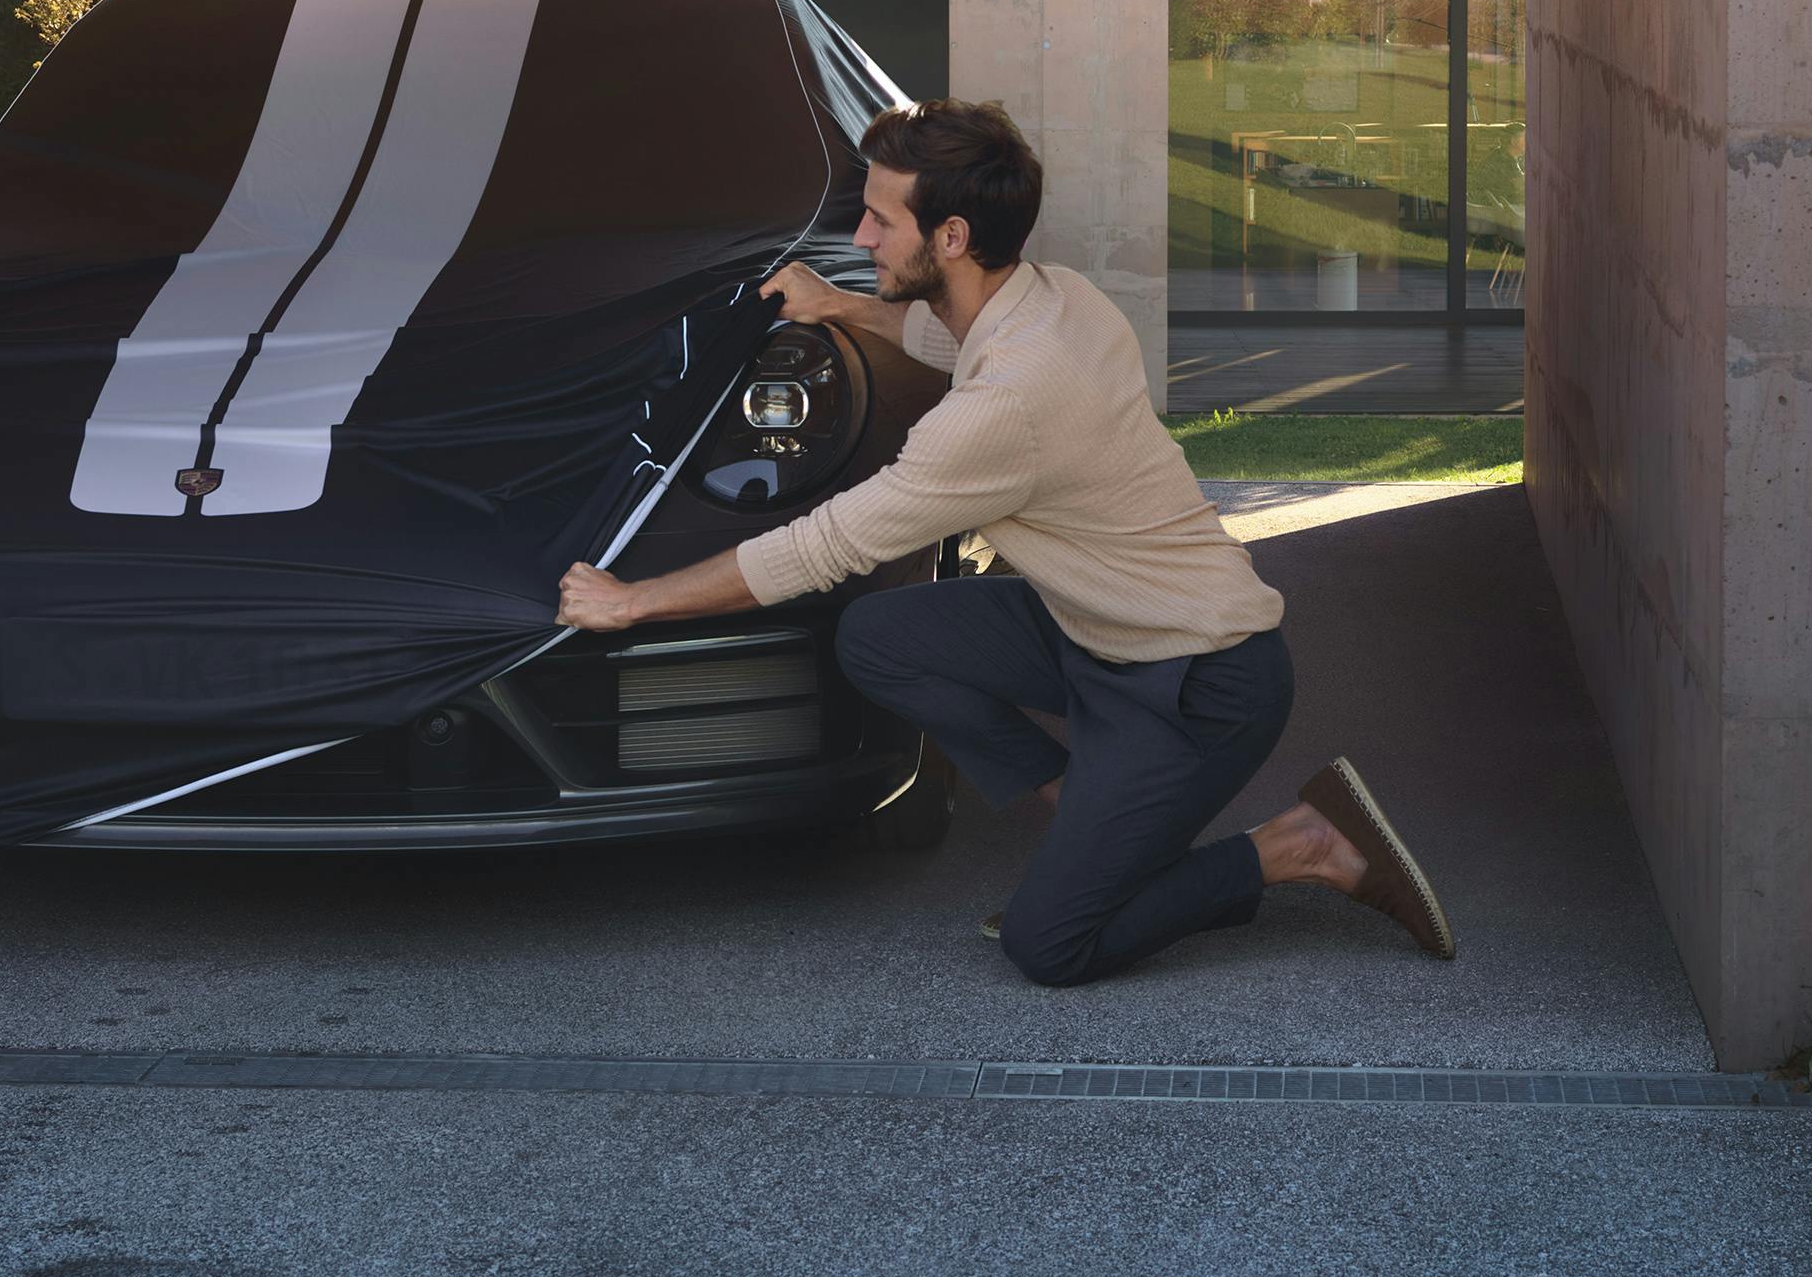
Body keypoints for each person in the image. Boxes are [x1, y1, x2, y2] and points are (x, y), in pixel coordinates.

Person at [557, 98, 1453, 986]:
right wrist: (837, 306)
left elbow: (821, 547)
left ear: (950, 237)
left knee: (1051, 943)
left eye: (879, 219)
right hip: (1095, 627)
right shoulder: (1057, 300)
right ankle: (1090, 815)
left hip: (1200, 682)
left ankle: (1300, 845)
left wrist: (633, 600)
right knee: (879, 638)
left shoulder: (1008, 407)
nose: (862, 236)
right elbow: (950, 341)